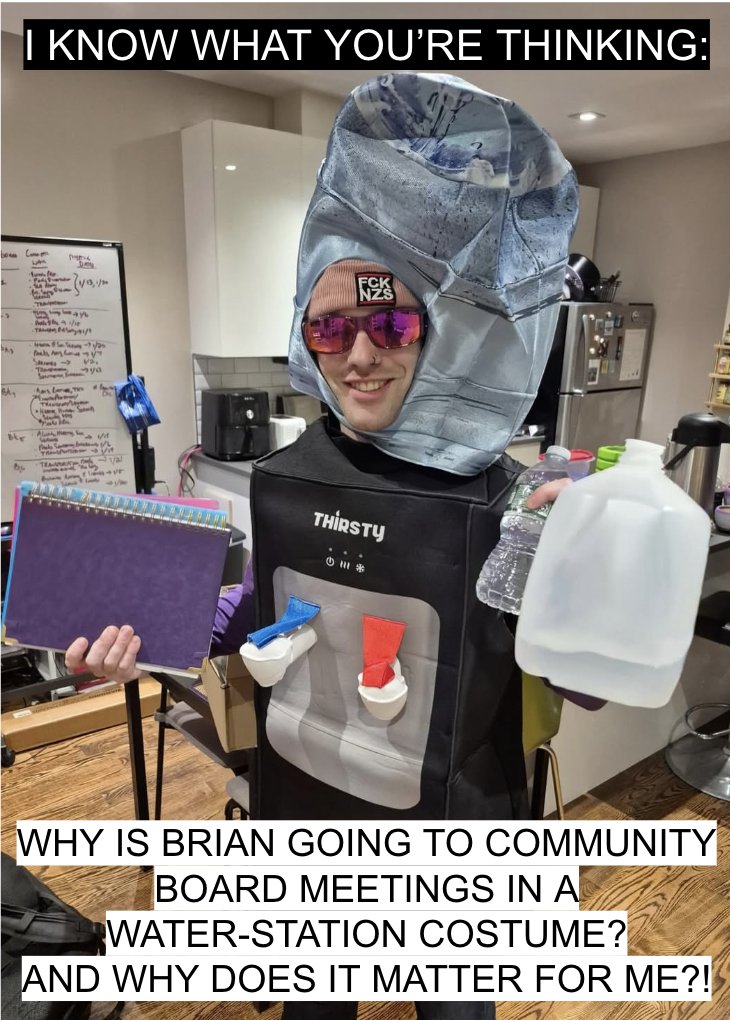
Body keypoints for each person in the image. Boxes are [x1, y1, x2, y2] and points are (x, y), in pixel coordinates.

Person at [66, 74, 580, 1020]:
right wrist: (139, 636)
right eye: (330, 324)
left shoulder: (510, 499)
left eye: (389, 320)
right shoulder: (289, 471)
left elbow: (581, 683)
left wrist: (586, 571)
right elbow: (259, 613)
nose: (358, 354)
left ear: (444, 327)